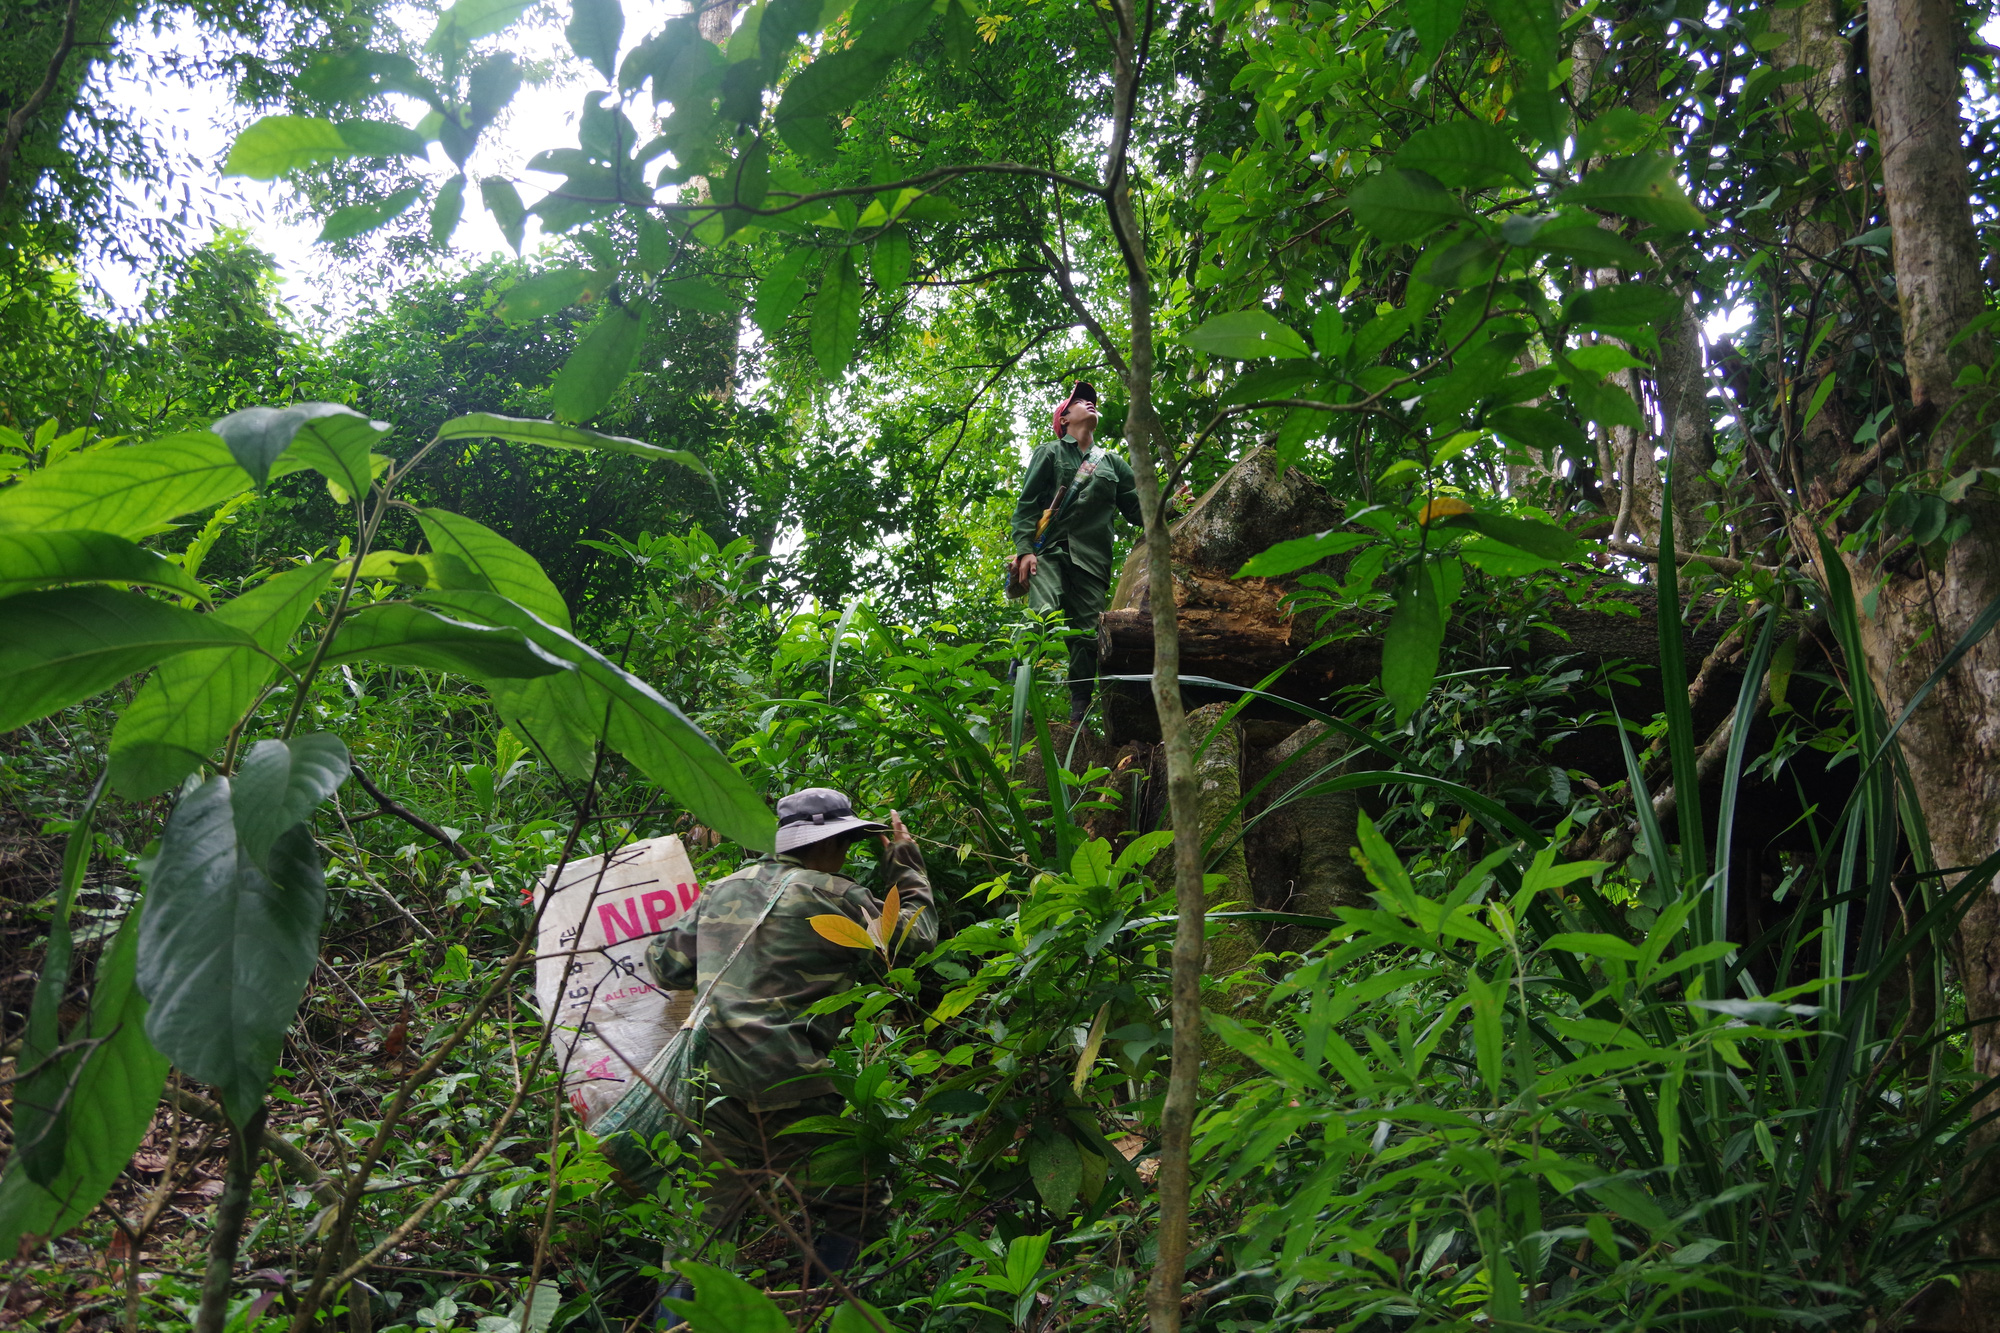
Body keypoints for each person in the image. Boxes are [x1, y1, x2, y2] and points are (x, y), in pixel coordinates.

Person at [645, 787, 936, 1318]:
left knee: (697, 1238)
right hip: (791, 1082)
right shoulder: (840, 897)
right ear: (840, 840)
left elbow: (666, 968)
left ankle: (676, 1324)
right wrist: (905, 862)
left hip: (714, 1085)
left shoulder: (720, 890)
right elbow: (915, 943)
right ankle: (826, 1314)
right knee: (857, 1204)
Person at [1009, 380, 1147, 724]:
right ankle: (1016, 690)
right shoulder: (1050, 452)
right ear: (1064, 419)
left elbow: (1138, 510)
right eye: (1079, 401)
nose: (1089, 403)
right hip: (1051, 552)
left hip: (1093, 564)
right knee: (1043, 612)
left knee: (1087, 636)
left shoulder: (1112, 463)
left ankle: (1079, 715)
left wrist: (1173, 505)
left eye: (1090, 399)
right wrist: (1025, 550)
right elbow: (1027, 505)